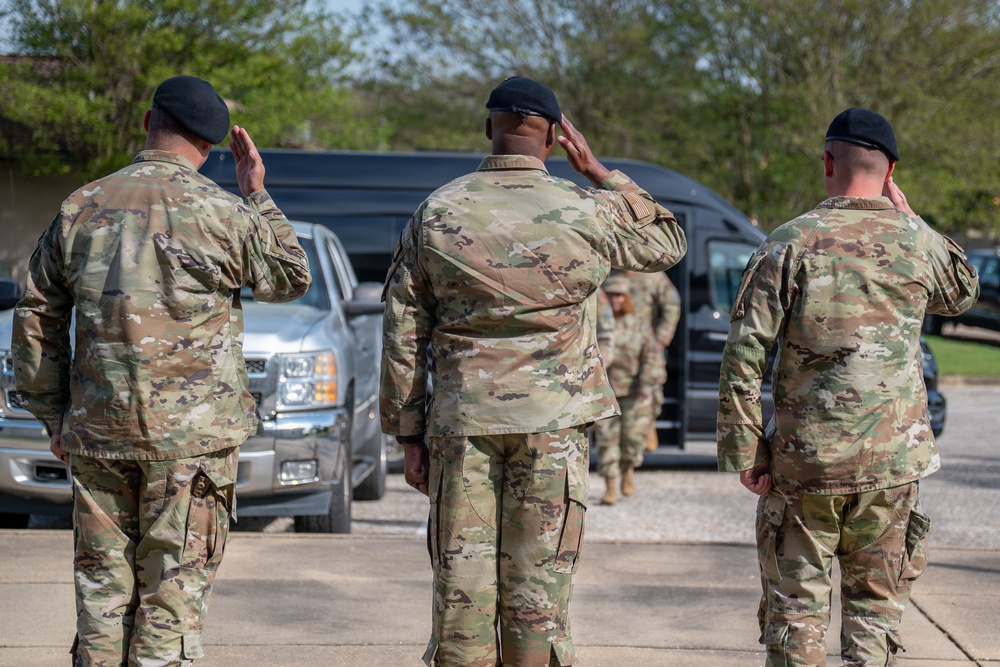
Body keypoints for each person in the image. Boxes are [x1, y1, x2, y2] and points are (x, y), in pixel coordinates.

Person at [380, 75, 687, 667]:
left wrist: (408, 434)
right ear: (554, 137)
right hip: (553, 425)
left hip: (463, 423)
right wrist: (601, 173)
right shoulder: (584, 208)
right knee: (537, 597)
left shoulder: (438, 211)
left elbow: (403, 330)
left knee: (462, 597)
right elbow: (667, 241)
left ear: (487, 128)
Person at [12, 75, 311, 666]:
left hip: (98, 433)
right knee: (171, 598)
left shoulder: (81, 205)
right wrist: (257, 192)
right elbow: (290, 277)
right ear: (211, 145)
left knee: (101, 594)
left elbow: (38, 313)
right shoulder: (224, 212)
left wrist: (52, 414)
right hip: (192, 445)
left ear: (149, 122)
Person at [717, 108, 979, 666]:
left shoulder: (788, 242)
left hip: (806, 465)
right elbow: (962, 293)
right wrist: (914, 219)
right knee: (875, 617)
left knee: (796, 616)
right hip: (892, 464)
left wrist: (746, 450)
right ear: (891, 172)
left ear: (828, 162)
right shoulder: (918, 242)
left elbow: (743, 355)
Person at [591, 274, 660, 505]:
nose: (615, 300)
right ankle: (610, 485)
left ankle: (628, 468)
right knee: (606, 440)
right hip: (606, 391)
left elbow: (650, 355)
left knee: (632, 439)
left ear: (627, 297)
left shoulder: (639, 323)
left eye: (620, 295)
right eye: (611, 295)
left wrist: (647, 384)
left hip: (634, 390)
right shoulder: (598, 323)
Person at [617, 269, 681, 451]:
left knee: (649, 396)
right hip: (616, 351)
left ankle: (645, 428)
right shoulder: (610, 274)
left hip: (645, 351)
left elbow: (672, 305)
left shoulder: (652, 276)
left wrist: (660, 340)